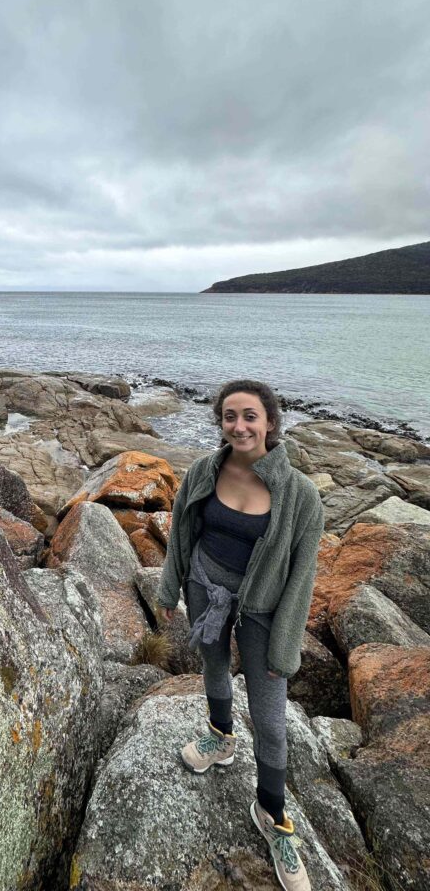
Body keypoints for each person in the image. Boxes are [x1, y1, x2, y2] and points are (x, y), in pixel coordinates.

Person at [156, 379, 324, 891]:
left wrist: (284, 647)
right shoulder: (204, 470)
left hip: (263, 609)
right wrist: (168, 592)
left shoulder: (300, 494)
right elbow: (183, 532)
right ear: (221, 423)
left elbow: (302, 576)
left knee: (271, 717)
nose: (240, 426)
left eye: (250, 416)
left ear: (270, 422)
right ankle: (221, 739)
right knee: (211, 665)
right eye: (230, 416)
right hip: (205, 588)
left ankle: (273, 816)